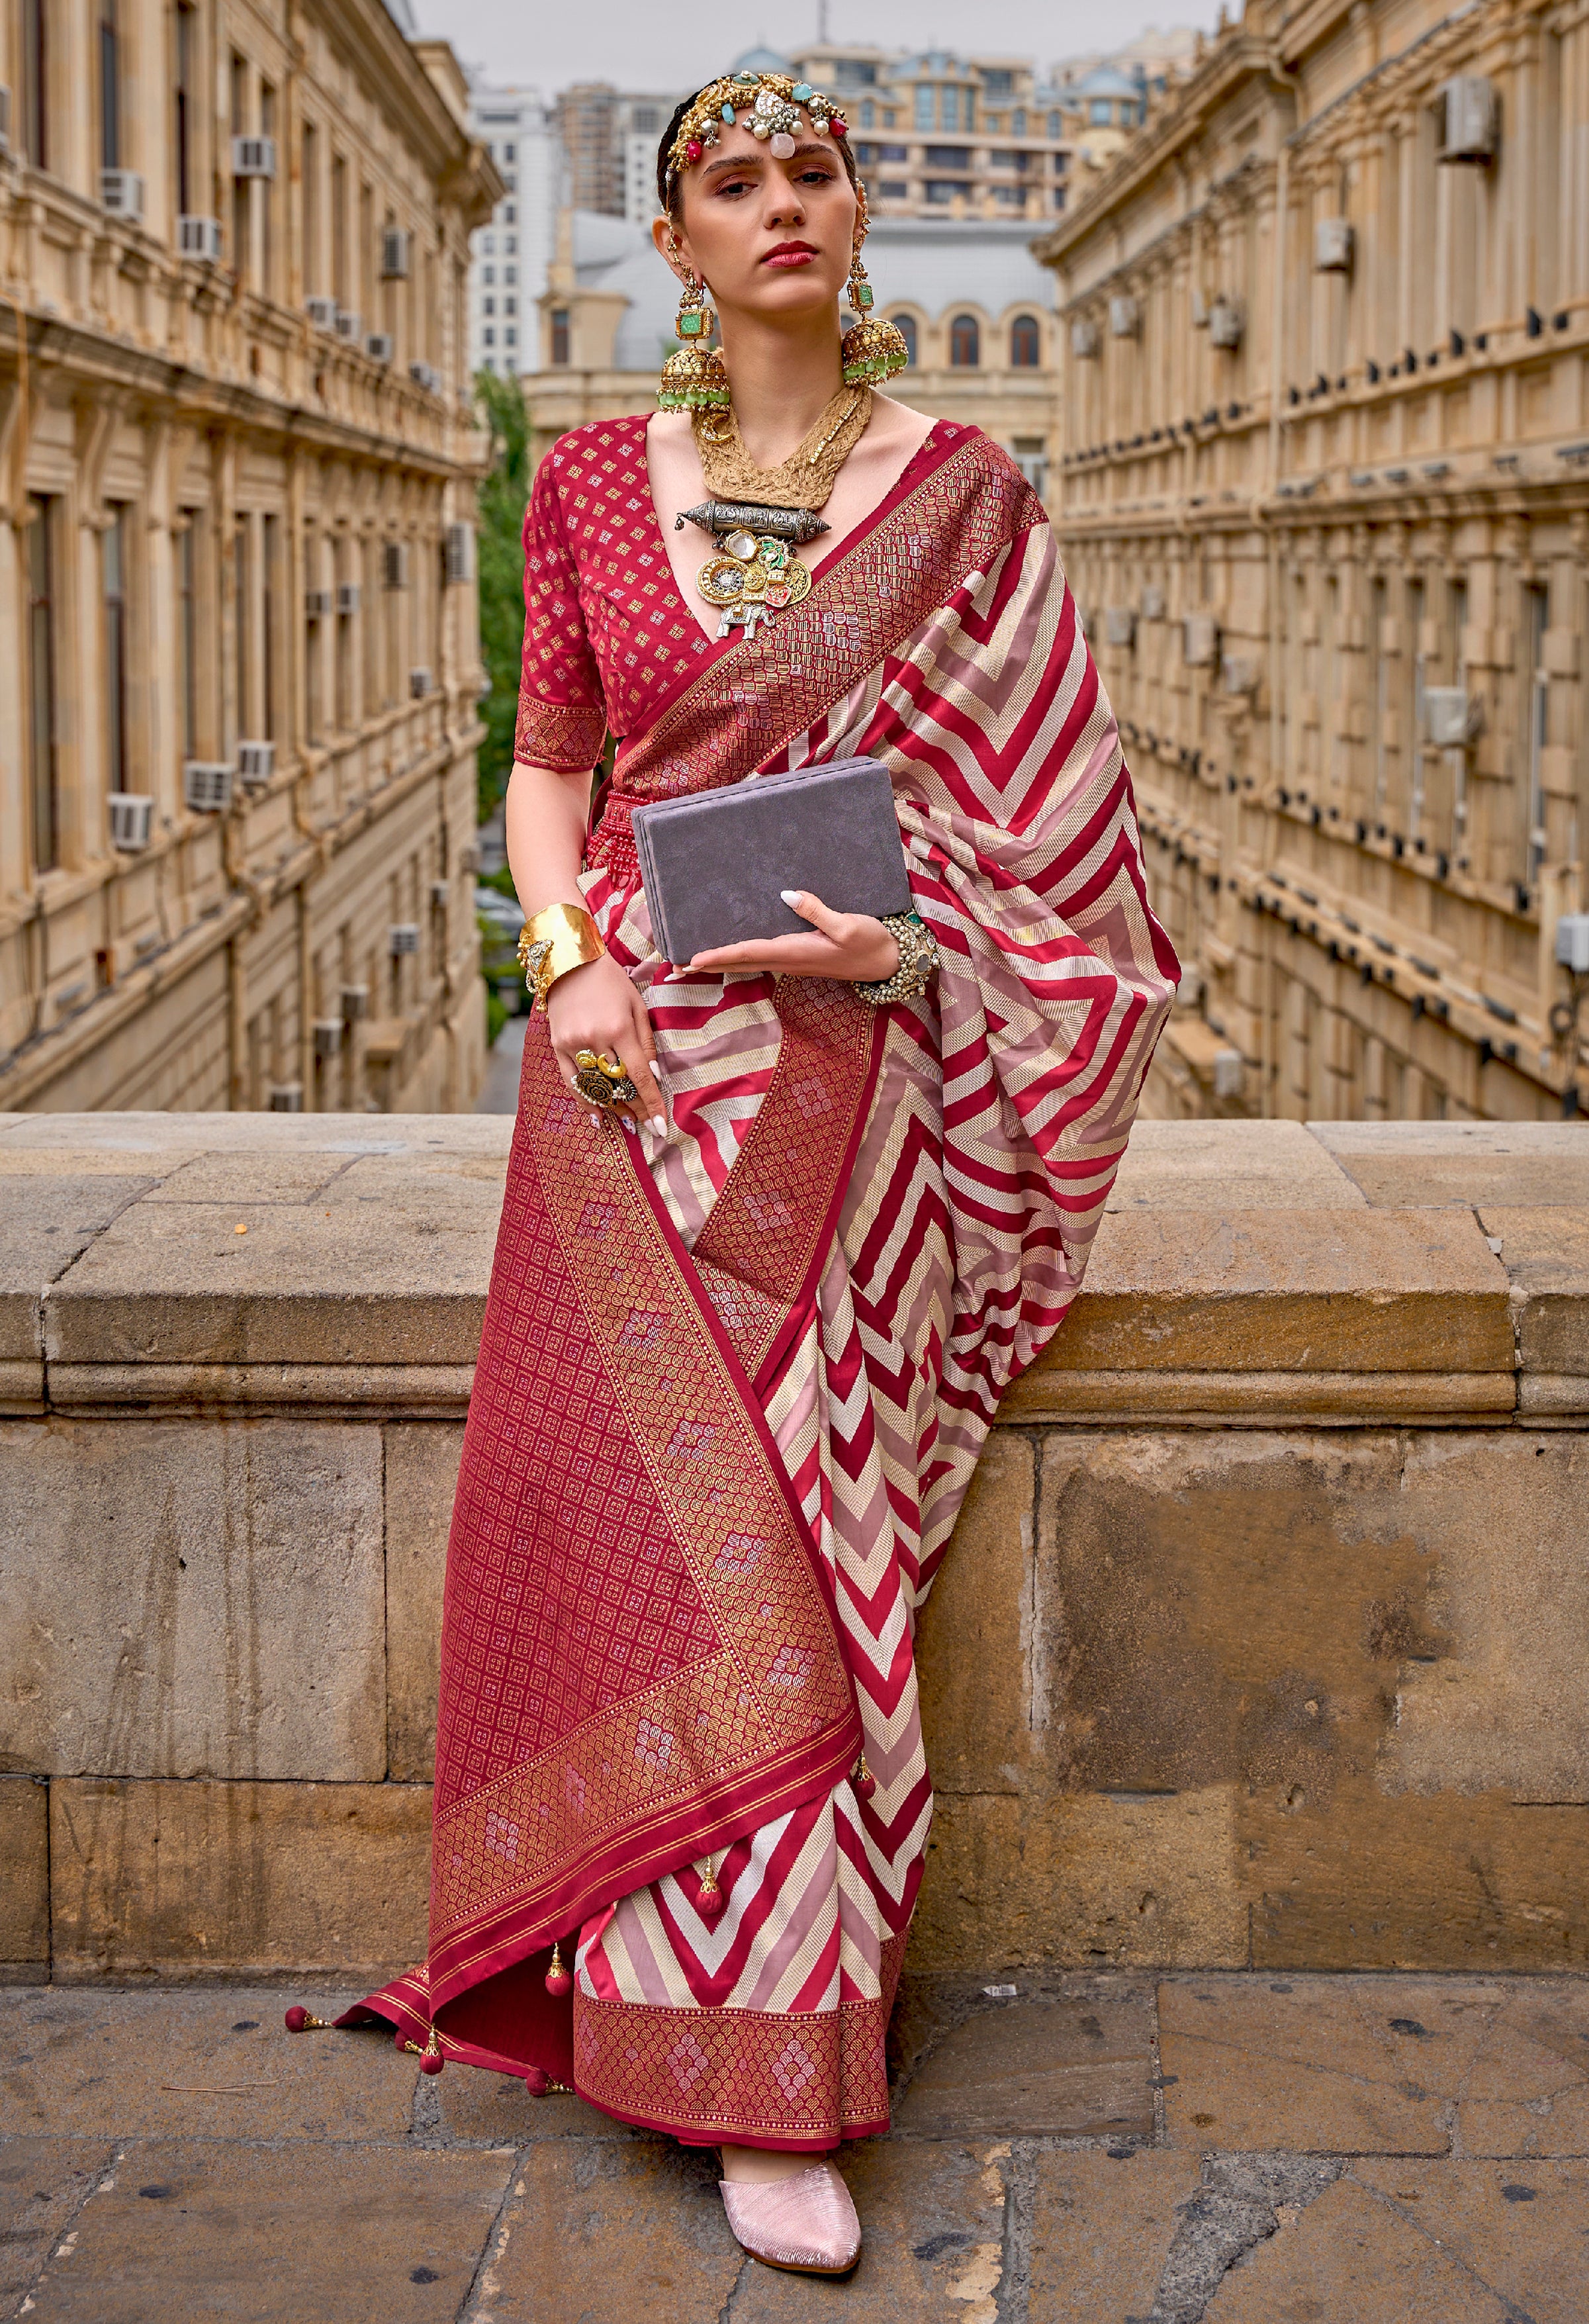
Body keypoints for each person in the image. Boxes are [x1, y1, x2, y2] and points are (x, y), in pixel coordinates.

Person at [312, 66, 1177, 2277]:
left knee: (815, 1550)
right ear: (674, 243)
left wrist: (919, 947)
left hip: (852, 1094)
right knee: (652, 1549)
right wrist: (571, 966)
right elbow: (547, 764)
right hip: (622, 1097)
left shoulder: (968, 495)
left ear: (860, 217)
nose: (778, 203)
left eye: (812, 170)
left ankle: (786, 2056)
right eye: (728, 182)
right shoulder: (596, 482)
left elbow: (1055, 829)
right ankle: (661, 2019)